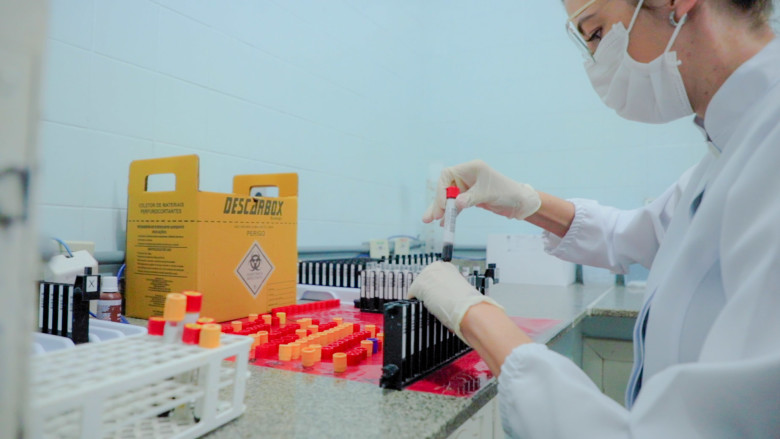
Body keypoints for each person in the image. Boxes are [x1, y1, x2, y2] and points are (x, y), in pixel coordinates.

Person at [409, 0, 780, 437]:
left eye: (597, 33)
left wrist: (474, 315)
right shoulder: (731, 147)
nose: (597, 65)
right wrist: (524, 200)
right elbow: (633, 234)